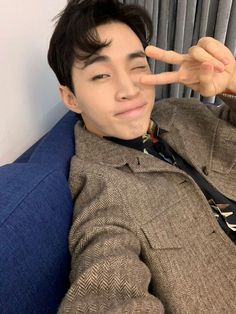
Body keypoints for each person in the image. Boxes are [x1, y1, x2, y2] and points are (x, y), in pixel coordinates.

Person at [48, 0, 236, 313]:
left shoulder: (183, 110)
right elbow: (105, 286)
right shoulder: (99, 185)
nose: (129, 89)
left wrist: (232, 86)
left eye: (137, 67)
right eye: (101, 76)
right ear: (71, 98)